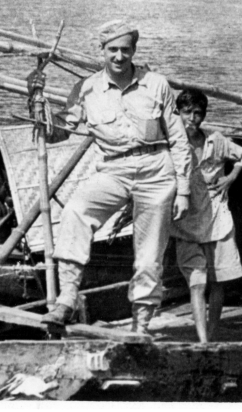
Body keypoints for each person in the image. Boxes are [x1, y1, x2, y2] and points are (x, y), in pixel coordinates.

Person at [28, 20, 192, 334]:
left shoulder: (156, 85)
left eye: (125, 50)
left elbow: (179, 139)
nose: (119, 56)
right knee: (76, 210)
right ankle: (67, 297)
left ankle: (141, 324)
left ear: (134, 51)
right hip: (113, 170)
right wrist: (36, 101)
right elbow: (59, 131)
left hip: (157, 173)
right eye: (112, 50)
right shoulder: (86, 89)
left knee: (148, 256)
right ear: (102, 51)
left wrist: (183, 189)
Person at [172, 88, 242, 342]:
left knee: (218, 281)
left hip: (218, 219)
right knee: (197, 282)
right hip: (185, 222)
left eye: (198, 113)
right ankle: (203, 341)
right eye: (187, 113)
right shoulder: (171, 143)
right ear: (177, 113)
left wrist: (230, 177)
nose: (192, 119)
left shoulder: (215, 140)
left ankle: (213, 334)